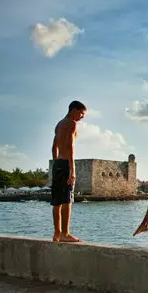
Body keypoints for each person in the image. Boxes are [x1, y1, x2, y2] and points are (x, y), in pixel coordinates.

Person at [50, 100, 87, 242]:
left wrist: (55, 163)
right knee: (67, 201)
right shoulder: (72, 124)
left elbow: (54, 146)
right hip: (65, 163)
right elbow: (71, 147)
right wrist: (72, 170)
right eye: (81, 113)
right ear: (73, 110)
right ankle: (65, 233)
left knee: (56, 202)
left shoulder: (59, 124)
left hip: (57, 163)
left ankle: (57, 234)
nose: (82, 117)